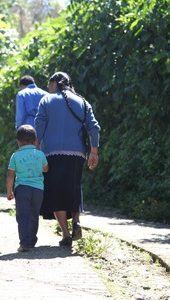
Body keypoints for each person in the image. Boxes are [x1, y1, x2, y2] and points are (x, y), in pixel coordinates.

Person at [35, 71, 100, 247]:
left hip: (52, 153)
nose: (48, 89)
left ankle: (66, 234)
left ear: (55, 83)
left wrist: (34, 148)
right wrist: (93, 152)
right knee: (74, 189)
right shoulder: (83, 102)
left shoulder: (47, 100)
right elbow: (94, 127)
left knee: (56, 193)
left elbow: (39, 125)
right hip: (77, 154)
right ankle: (76, 221)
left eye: (49, 85)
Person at [6, 125, 49, 252]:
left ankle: (24, 243)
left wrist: (9, 191)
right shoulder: (40, 154)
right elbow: (46, 169)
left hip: (22, 189)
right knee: (34, 214)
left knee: (23, 215)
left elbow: (10, 175)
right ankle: (31, 240)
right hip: (38, 190)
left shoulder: (15, 156)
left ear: (18, 141)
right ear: (35, 140)